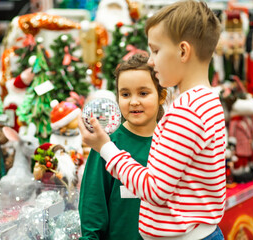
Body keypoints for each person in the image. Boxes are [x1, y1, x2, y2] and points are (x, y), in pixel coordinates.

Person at [78, 1, 226, 240]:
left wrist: (105, 147)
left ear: (183, 51)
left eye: (156, 51)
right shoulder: (206, 101)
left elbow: (154, 190)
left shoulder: (186, 112)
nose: (150, 61)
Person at [79, 53, 167, 240]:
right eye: (125, 94)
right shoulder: (107, 144)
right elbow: (93, 205)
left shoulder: (170, 142)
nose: (134, 101)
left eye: (143, 93)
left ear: (161, 96)